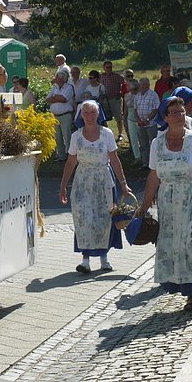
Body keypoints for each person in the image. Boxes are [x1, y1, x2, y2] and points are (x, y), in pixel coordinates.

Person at [137, 96, 192, 312]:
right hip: (168, 202)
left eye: (182, 111)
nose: (179, 115)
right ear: (165, 117)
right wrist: (144, 207)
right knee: (174, 244)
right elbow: (153, 177)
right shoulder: (157, 144)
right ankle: (190, 293)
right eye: (174, 112)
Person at [59, 100, 132, 273]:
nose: (90, 116)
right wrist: (63, 186)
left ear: (98, 114)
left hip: (104, 180)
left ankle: (104, 258)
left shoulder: (106, 134)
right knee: (84, 217)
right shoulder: (77, 136)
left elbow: (114, 159)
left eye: (93, 113)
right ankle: (85, 260)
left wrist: (123, 184)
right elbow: (71, 161)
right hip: (83, 180)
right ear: (81, 115)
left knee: (104, 218)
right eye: (86, 113)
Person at [46, 70, 75, 161]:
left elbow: (64, 99)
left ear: (63, 79)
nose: (56, 79)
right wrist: (57, 98)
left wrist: (54, 97)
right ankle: (62, 156)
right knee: (57, 137)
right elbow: (47, 99)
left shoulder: (69, 87)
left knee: (67, 136)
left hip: (65, 115)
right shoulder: (55, 87)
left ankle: (71, 156)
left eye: (57, 78)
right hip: (55, 116)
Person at [133, 77, 160, 169]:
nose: (143, 86)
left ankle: (155, 164)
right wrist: (138, 121)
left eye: (145, 84)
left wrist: (147, 119)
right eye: (142, 84)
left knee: (153, 144)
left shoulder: (153, 95)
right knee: (143, 144)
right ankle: (145, 163)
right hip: (141, 125)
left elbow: (156, 109)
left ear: (148, 85)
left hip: (151, 124)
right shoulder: (137, 96)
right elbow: (135, 109)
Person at [100, 61, 124, 140]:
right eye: (107, 67)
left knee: (118, 117)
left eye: (110, 67)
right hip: (105, 100)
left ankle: (120, 134)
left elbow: (125, 84)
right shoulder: (101, 77)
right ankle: (107, 134)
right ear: (104, 68)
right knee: (105, 118)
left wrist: (121, 94)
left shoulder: (116, 76)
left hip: (115, 99)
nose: (109, 69)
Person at [123, 78, 142, 161]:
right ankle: (137, 157)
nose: (126, 86)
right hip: (130, 118)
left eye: (127, 85)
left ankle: (145, 155)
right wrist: (124, 118)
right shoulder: (126, 95)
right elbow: (126, 108)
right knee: (133, 138)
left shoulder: (140, 95)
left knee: (142, 138)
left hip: (140, 118)